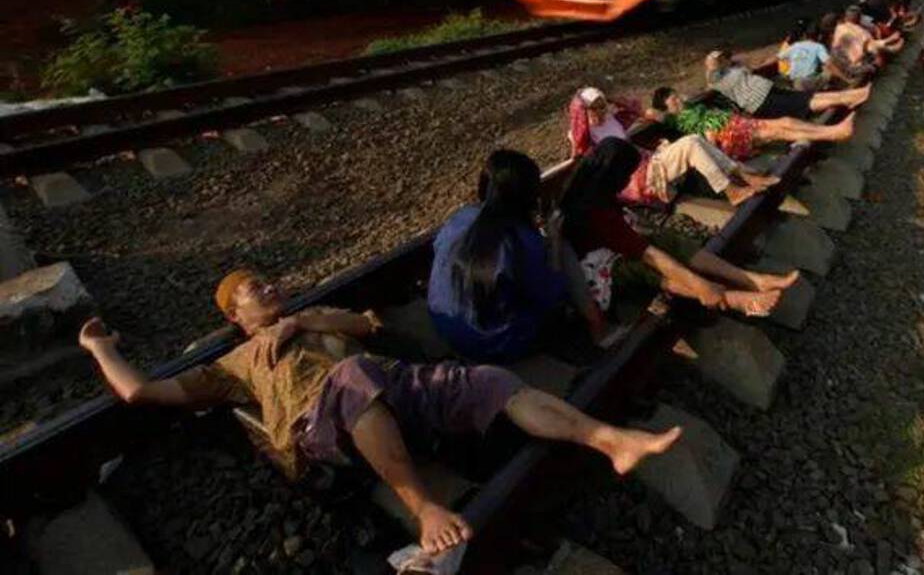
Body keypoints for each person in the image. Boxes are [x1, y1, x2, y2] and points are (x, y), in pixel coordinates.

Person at [78, 271, 682, 555]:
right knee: (351, 375)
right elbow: (140, 394)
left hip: (393, 386)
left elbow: (368, 324)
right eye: (254, 292)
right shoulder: (235, 364)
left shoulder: (312, 316)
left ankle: (611, 440)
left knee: (494, 381)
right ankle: (424, 509)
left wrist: (304, 318)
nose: (268, 291)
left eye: (268, 284)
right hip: (323, 428)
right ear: (236, 316)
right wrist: (101, 348)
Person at [558, 137, 800, 317]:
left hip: (609, 249)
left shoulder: (590, 186)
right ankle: (735, 298)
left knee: (669, 239)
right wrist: (703, 287)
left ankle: (752, 279)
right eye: (626, 176)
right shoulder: (594, 210)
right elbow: (650, 257)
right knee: (643, 268)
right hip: (596, 272)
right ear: (613, 175)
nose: (627, 181)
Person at [428, 150, 610, 362]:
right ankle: (595, 333)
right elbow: (552, 298)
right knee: (559, 308)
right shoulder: (522, 242)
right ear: (528, 197)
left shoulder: (461, 217)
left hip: (443, 322)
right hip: (490, 343)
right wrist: (554, 242)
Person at [568, 87, 778, 207]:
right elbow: (580, 153)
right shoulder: (583, 135)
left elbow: (635, 107)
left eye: (601, 105)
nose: (598, 112)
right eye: (592, 109)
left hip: (645, 163)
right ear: (581, 112)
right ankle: (733, 187)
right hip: (634, 179)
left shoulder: (612, 120)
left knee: (694, 140)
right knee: (690, 143)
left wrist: (611, 97)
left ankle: (740, 178)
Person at [644, 86, 855, 160]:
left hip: (734, 124)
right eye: (673, 100)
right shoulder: (674, 118)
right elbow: (650, 112)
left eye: (677, 95)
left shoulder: (689, 105)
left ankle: (832, 130)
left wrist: (681, 98)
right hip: (725, 135)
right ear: (666, 107)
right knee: (779, 131)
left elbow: (686, 98)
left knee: (785, 121)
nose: (679, 99)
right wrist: (660, 111)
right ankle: (835, 133)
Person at [705, 48, 871, 119]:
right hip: (761, 102)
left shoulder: (732, 68)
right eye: (719, 60)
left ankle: (850, 95)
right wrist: (714, 60)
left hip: (769, 90)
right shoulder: (715, 78)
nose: (722, 60)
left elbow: (744, 60)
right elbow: (712, 69)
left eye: (723, 58)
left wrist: (728, 59)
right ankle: (849, 98)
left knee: (806, 96)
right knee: (804, 101)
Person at [777, 19, 831, 91]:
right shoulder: (802, 42)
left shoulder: (792, 40)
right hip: (795, 76)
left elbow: (779, 57)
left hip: (786, 74)